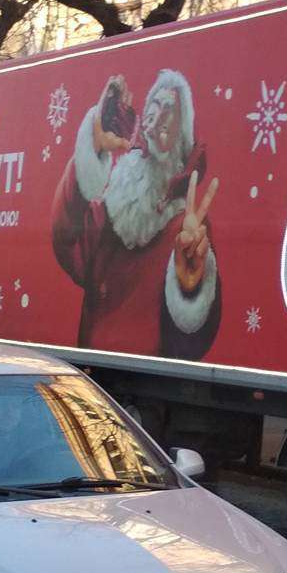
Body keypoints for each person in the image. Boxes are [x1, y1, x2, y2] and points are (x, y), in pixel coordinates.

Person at [52, 70, 222, 359]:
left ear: (182, 136)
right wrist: (92, 151)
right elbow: (68, 245)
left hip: (148, 373)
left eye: (169, 109)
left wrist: (189, 289)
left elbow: (192, 336)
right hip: (94, 371)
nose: (157, 117)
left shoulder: (188, 228)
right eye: (153, 106)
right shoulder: (116, 202)